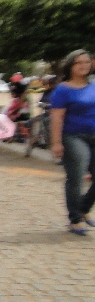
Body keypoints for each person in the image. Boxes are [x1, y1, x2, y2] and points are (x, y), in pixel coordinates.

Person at [50, 49, 95, 235]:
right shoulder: (63, 89)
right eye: (79, 62)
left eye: (87, 61)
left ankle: (83, 208)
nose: (84, 65)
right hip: (73, 137)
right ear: (70, 65)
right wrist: (56, 143)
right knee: (76, 177)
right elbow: (57, 118)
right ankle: (75, 220)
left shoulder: (93, 85)